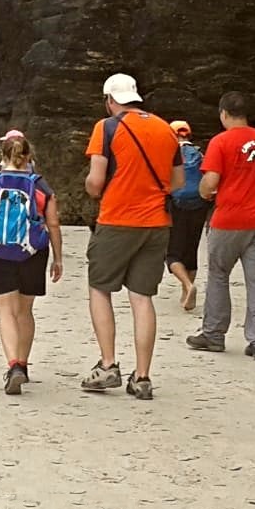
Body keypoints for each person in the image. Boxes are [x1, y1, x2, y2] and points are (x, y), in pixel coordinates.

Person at [80, 73, 183, 402]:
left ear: (110, 99)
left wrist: (93, 187)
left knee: (100, 287)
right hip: (156, 223)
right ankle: (142, 377)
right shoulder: (166, 129)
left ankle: (108, 364)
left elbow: (96, 181)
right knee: (142, 297)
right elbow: (177, 182)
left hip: (117, 219)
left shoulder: (107, 128)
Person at [187, 92, 255, 360]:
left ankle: (214, 334)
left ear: (223, 113)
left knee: (219, 275)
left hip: (228, 220)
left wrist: (204, 192)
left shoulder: (220, 142)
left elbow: (211, 181)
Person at [0, 134, 63, 395]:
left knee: (6, 311)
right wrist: (58, 258)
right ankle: (22, 363)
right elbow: (53, 224)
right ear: (28, 156)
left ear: (3, 155)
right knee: (25, 311)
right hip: (32, 251)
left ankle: (12, 366)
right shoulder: (40, 185)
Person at [165, 119, 213, 310]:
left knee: (173, 253)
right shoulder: (199, 154)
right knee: (191, 249)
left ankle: (187, 285)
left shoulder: (171, 154)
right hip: (199, 205)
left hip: (177, 206)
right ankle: (186, 293)